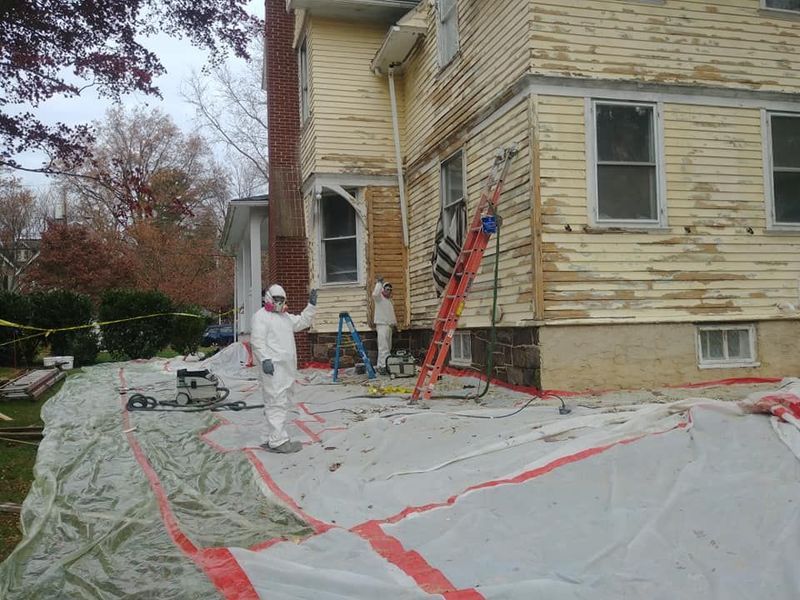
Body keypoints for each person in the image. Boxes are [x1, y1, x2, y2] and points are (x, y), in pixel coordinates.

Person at [250, 284, 317, 453]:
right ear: (268, 298)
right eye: (276, 299)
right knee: (276, 402)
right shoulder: (261, 316)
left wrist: (311, 306)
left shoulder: (285, 317)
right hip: (273, 367)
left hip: (286, 368)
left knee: (279, 401)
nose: (279, 302)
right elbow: (257, 340)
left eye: (282, 299)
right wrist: (264, 359)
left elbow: (302, 322)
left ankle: (271, 436)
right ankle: (278, 441)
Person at [372, 276, 397, 375]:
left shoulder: (389, 301)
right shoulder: (379, 299)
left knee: (388, 347)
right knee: (384, 347)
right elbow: (375, 294)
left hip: (389, 326)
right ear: (383, 289)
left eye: (390, 290)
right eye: (387, 289)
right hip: (382, 325)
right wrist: (379, 283)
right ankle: (384, 366)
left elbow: (391, 314)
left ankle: (380, 365)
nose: (389, 291)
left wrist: (394, 325)